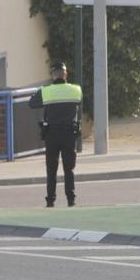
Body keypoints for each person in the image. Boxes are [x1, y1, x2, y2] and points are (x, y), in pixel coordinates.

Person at [28, 62, 83, 208]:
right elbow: (79, 102)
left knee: (51, 170)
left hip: (52, 134)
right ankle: (71, 200)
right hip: (69, 134)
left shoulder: (46, 91)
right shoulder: (76, 90)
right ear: (66, 75)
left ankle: (50, 201)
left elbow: (32, 104)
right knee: (69, 169)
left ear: (53, 75)